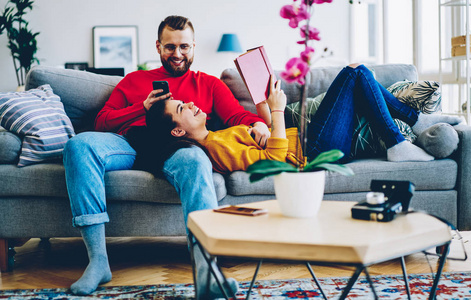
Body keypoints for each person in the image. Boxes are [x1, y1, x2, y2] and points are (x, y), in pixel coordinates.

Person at [62, 15, 269, 298]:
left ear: (193, 47)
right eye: (170, 47)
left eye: (184, 47)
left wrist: (258, 122)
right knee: (78, 146)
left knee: (198, 162)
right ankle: (98, 262)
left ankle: (207, 271)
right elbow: (102, 122)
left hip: (177, 149)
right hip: (130, 143)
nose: (178, 54)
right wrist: (142, 107)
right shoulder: (135, 80)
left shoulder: (208, 84)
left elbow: (238, 116)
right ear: (158, 47)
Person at [127, 63, 464, 178]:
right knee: (354, 74)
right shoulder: (215, 148)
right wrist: (274, 112)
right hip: (314, 151)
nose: (191, 103)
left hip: (306, 137)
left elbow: (263, 145)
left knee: (360, 78)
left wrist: (259, 122)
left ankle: (412, 119)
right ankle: (399, 140)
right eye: (183, 108)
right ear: (177, 129)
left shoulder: (217, 134)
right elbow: (275, 162)